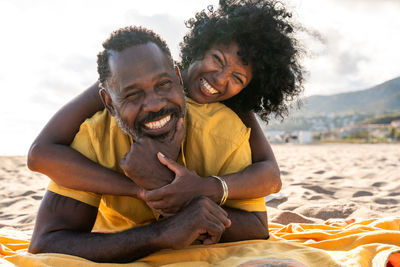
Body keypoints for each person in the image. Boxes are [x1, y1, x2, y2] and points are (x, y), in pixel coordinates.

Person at [27, 0, 303, 216]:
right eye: (217, 60)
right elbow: (41, 153)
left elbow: (271, 177)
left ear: (248, 89)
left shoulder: (234, 110)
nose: (220, 79)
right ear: (200, 46)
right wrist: (138, 190)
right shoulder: (138, 76)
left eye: (238, 78)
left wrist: (202, 188)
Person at [28, 26, 269, 263]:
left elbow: (259, 221)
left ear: (177, 77)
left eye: (163, 84)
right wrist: (160, 231)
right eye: (132, 94)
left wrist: (189, 193)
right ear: (109, 103)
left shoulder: (225, 132)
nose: (154, 104)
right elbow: (45, 243)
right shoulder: (94, 136)